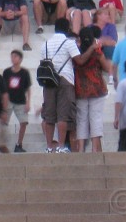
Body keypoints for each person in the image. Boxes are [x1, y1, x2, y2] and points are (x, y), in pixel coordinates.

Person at [41, 18, 97, 153]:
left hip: (48, 81)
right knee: (63, 115)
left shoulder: (46, 44)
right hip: (65, 79)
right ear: (67, 29)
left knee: (49, 115)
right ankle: (60, 146)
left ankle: (49, 146)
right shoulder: (69, 43)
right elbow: (80, 60)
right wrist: (92, 48)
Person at [73, 26, 111, 153]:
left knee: (82, 119)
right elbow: (106, 68)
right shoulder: (97, 52)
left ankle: (81, 148)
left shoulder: (76, 51)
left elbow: (79, 62)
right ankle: (95, 148)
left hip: (80, 89)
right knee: (96, 118)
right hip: (97, 89)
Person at [3, 49, 32, 151]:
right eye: (12, 56)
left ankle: (19, 144)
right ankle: (2, 144)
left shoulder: (24, 72)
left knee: (23, 122)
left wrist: (28, 102)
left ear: (20, 59)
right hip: (9, 100)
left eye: (15, 56)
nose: (13, 58)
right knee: (4, 122)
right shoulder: (6, 72)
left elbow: (28, 88)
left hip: (21, 100)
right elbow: (3, 88)